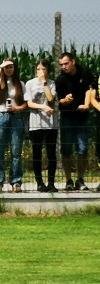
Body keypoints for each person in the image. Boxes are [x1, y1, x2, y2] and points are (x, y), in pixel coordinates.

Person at [55, 52, 93, 191]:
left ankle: (80, 180)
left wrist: (86, 105)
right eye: (61, 65)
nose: (63, 67)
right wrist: (65, 101)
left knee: (82, 150)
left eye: (66, 63)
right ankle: (69, 180)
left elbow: (90, 91)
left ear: (73, 62)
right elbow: (60, 102)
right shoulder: (60, 79)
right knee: (66, 150)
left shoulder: (84, 72)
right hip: (67, 118)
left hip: (82, 117)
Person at [0, 58, 28, 192]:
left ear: (15, 68)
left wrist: (16, 109)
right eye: (6, 67)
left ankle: (16, 181)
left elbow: (25, 104)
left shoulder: (20, 84)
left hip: (16, 117)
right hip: (1, 116)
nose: (8, 69)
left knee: (16, 151)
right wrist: (0, 66)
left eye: (11, 67)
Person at [25, 59, 58, 192]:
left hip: (50, 124)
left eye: (43, 69)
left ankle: (51, 182)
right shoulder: (30, 84)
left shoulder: (51, 83)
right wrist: (43, 107)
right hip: (36, 123)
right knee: (36, 153)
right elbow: (29, 103)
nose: (40, 72)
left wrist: (44, 82)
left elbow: (50, 99)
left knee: (51, 154)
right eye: (38, 69)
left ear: (48, 70)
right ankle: (39, 182)